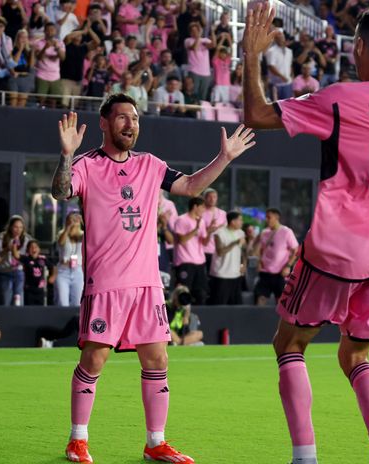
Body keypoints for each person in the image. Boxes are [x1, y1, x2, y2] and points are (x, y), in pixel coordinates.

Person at [242, 7, 369, 464]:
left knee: (289, 344)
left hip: (336, 251)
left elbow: (256, 114)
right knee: (355, 354)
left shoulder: (338, 98)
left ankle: (305, 457)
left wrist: (250, 57)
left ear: (357, 47)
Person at [50, 94, 254, 464]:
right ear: (104, 123)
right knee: (94, 361)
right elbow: (61, 191)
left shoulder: (151, 165)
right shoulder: (86, 165)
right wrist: (66, 154)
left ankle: (155, 443)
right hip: (107, 282)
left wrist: (224, 157)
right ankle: (77, 440)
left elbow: (191, 186)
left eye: (136, 118)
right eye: (123, 118)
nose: (131, 124)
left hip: (147, 283)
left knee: (158, 360)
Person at [253, 208, 298, 306]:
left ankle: (278, 321)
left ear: (276, 217)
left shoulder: (286, 231)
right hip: (265, 273)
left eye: (269, 217)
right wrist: (259, 262)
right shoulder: (264, 233)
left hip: (280, 273)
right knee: (260, 298)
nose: (266, 219)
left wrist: (288, 266)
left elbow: (295, 250)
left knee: (281, 302)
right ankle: (258, 319)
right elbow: (260, 251)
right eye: (266, 217)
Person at [172, 197, 210, 305]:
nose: (204, 210)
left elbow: (205, 243)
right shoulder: (181, 220)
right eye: (202, 207)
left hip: (200, 262)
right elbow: (182, 240)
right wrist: (196, 229)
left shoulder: (201, 222)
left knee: (201, 293)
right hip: (185, 261)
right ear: (195, 207)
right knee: (183, 293)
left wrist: (210, 231)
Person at [208, 211, 245, 305]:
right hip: (221, 275)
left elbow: (243, 251)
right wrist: (234, 243)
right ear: (233, 221)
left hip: (235, 274)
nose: (242, 222)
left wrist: (244, 264)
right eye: (240, 220)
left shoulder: (241, 233)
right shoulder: (219, 233)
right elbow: (220, 252)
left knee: (236, 305)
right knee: (219, 304)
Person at [54, 211, 84, 307]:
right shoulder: (62, 233)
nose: (74, 221)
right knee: (63, 303)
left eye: (76, 219)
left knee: (77, 303)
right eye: (71, 219)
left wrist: (84, 221)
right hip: (63, 271)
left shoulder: (83, 235)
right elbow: (61, 242)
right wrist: (68, 227)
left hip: (78, 271)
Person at [0, 215, 29, 306]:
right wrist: (7, 248)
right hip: (5, 272)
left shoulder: (25, 239)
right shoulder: (2, 237)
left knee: (18, 301)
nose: (18, 230)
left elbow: (26, 257)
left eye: (20, 227)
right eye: (15, 227)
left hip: (18, 272)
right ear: (10, 227)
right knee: (5, 301)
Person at [200, 188, 225, 271]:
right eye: (209, 197)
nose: (212, 199)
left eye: (214, 197)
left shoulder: (223, 213)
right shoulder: (200, 212)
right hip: (203, 249)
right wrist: (209, 228)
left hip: (218, 249)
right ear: (204, 198)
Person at [21, 240, 50, 305]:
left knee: (40, 310)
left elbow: (53, 267)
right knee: (29, 310)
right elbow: (16, 255)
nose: (34, 249)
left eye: (36, 247)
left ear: (39, 249)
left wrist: (53, 276)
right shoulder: (26, 258)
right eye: (31, 247)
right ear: (27, 250)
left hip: (40, 290)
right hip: (29, 290)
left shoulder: (43, 259)